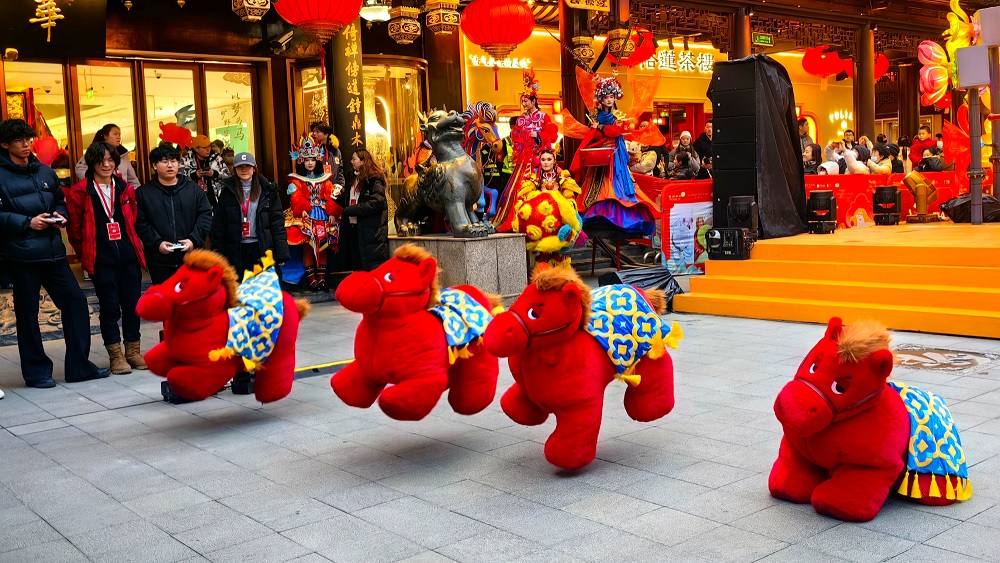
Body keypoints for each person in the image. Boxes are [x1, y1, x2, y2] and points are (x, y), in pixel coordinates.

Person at [0, 118, 111, 388]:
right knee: (28, 315)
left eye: (28, 139)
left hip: (53, 252)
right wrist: (27, 223)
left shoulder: (44, 171)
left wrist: (60, 216)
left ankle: (78, 367)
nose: (26, 145)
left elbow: (59, 201)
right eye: (19, 141)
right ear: (5, 145)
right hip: (21, 255)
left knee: (75, 303)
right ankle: (37, 372)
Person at [66, 141, 147, 375]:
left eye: (111, 160)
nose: (107, 164)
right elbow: (75, 230)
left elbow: (131, 220)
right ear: (92, 163)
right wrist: (86, 256)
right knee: (110, 309)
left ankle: (133, 351)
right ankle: (115, 356)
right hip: (102, 260)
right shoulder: (80, 191)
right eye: (101, 160)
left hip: (128, 257)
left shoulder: (125, 189)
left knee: (133, 307)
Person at [569, 76, 657, 238]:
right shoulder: (595, 114)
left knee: (617, 184)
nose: (609, 100)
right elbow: (594, 135)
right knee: (596, 186)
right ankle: (596, 218)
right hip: (599, 155)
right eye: (606, 97)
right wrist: (595, 129)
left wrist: (600, 127)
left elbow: (615, 132)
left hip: (615, 155)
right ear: (601, 98)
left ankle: (620, 220)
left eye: (611, 97)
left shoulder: (618, 115)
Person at [135, 145, 213, 284]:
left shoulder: (193, 189)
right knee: (165, 302)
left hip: (192, 258)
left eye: (174, 161)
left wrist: (193, 240)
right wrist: (157, 243)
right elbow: (140, 222)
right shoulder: (144, 193)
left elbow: (205, 215)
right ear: (154, 165)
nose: (170, 165)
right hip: (160, 261)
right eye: (164, 161)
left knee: (193, 300)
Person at [212, 151, 289, 277]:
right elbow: (220, 226)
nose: (244, 170)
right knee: (240, 289)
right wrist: (218, 254)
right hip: (236, 249)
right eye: (240, 167)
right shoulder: (227, 192)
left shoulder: (268, 191)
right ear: (234, 169)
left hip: (262, 247)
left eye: (247, 166)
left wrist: (281, 253)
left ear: (254, 168)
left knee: (263, 289)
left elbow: (277, 223)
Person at [494, 70, 553, 231]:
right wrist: (519, 147)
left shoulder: (543, 117)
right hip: (524, 159)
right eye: (523, 101)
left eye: (527, 101)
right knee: (518, 188)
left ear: (534, 101)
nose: (525, 104)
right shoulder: (520, 119)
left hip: (540, 158)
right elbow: (516, 137)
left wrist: (538, 135)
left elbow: (551, 134)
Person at [286, 140, 342, 290]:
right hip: (306, 215)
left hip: (322, 214)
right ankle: (312, 280)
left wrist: (331, 211)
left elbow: (329, 196)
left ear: (317, 160)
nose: (310, 163)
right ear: (301, 161)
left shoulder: (325, 179)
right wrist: (301, 208)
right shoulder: (296, 179)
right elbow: (295, 197)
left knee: (322, 246)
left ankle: (322, 279)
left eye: (312, 159)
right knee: (308, 247)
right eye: (306, 160)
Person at [337, 148, 388, 271]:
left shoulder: (374, 179)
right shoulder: (352, 178)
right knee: (356, 264)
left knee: (370, 266)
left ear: (363, 161)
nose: (351, 161)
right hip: (353, 227)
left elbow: (376, 202)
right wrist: (336, 197)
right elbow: (349, 200)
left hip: (369, 230)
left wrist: (351, 210)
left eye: (354, 159)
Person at [74, 124, 141, 187]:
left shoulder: (124, 154)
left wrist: (137, 193)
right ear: (105, 136)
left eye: (119, 134)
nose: (118, 137)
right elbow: (79, 168)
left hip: (122, 193)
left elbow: (132, 179)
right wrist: (94, 181)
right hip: (100, 191)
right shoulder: (94, 152)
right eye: (115, 134)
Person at [180, 134, 231, 207]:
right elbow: (178, 180)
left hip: (215, 201)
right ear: (196, 149)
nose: (208, 149)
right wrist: (194, 175)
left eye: (209, 146)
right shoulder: (185, 161)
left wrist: (215, 174)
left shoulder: (217, 159)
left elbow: (228, 178)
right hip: (193, 202)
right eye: (205, 148)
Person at [309, 122, 347, 188]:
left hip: (333, 192)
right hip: (317, 191)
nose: (314, 134)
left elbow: (340, 172)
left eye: (317, 132)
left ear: (326, 135)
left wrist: (341, 187)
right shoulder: (310, 151)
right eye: (313, 131)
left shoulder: (336, 151)